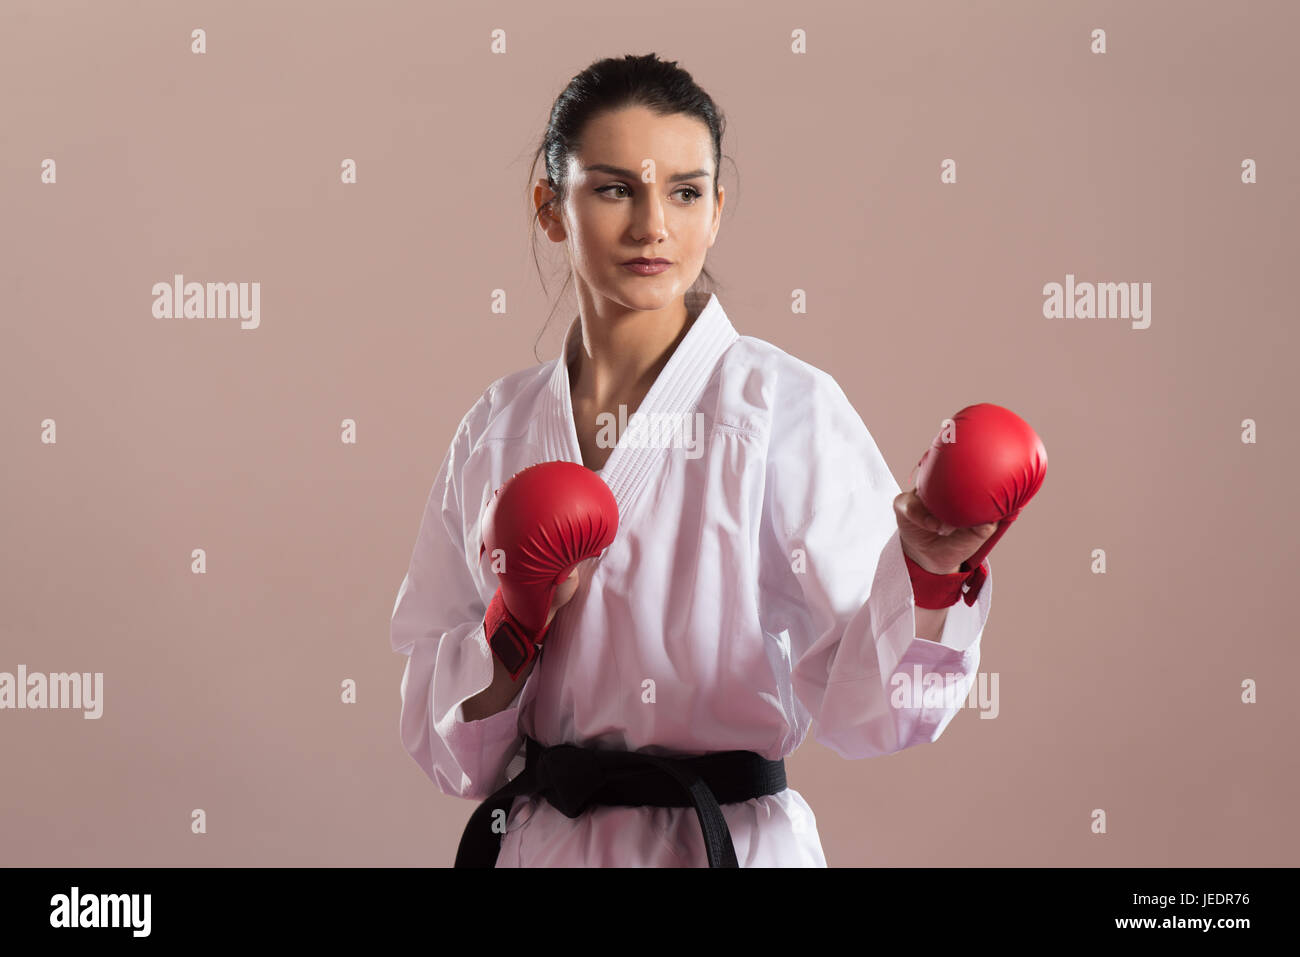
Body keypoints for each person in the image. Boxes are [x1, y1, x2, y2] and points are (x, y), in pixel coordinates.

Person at [389, 52, 998, 867]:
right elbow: (451, 755)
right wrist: (514, 624)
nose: (652, 226)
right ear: (550, 208)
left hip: (728, 847)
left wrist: (925, 574)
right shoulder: (496, 428)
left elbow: (876, 717)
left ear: (716, 210)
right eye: (614, 189)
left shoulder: (786, 409)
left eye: (684, 191)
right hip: (547, 847)